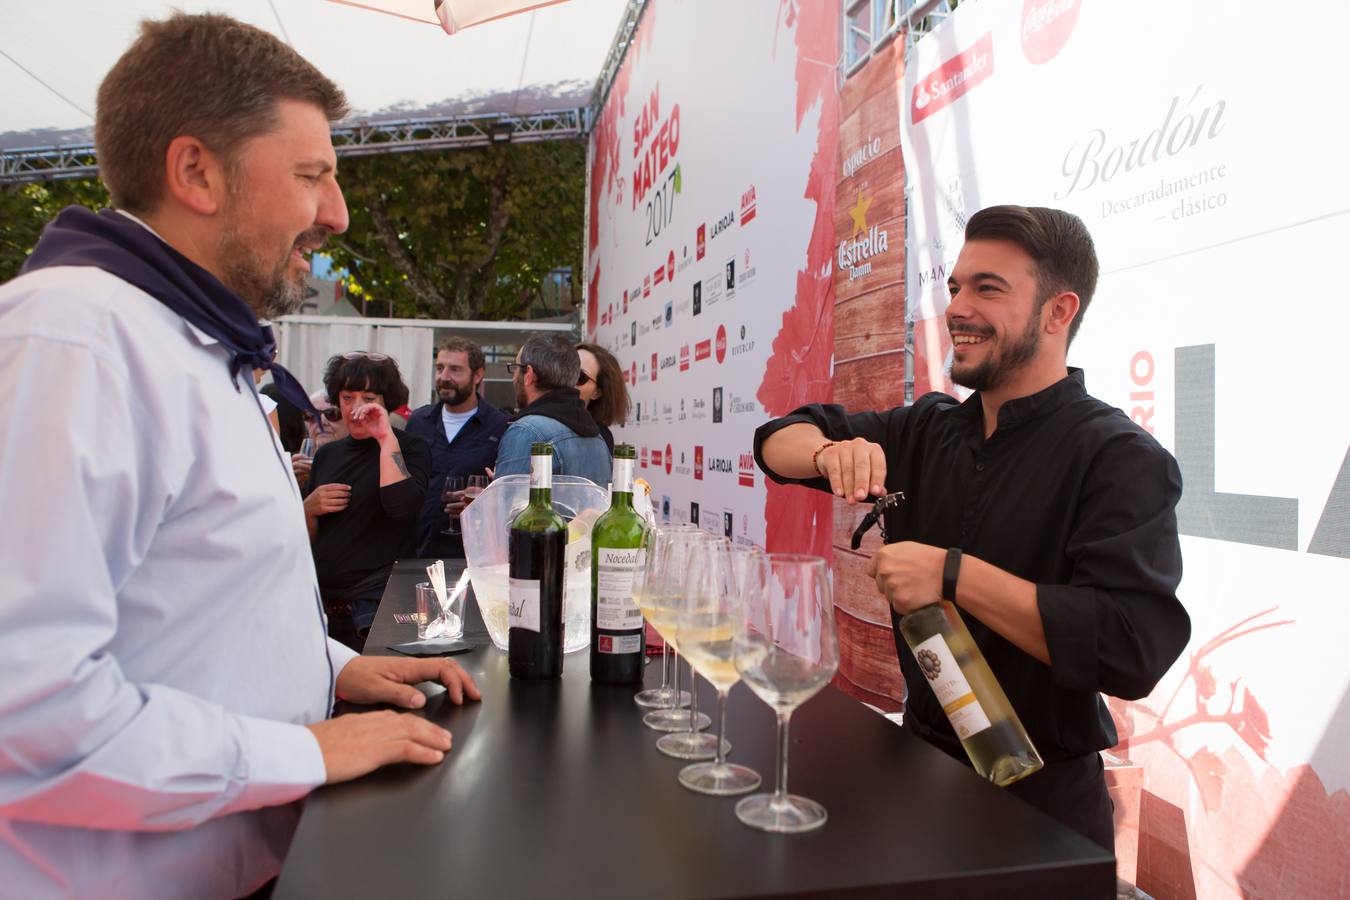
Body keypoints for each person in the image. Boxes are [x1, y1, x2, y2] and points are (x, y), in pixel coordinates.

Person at [0, 15, 479, 898]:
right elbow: (26, 705)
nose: (334, 212)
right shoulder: (75, 342)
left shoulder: (185, 340)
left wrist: (335, 669)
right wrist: (301, 747)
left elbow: (193, 605)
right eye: (312, 176)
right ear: (196, 172)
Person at [754, 205, 1189, 850]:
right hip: (917, 772)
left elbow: (1131, 649)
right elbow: (773, 443)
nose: (958, 306)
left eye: (988, 288)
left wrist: (950, 574)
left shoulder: (1118, 457)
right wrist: (826, 453)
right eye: (956, 286)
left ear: (1058, 312)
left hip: (1040, 813)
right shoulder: (928, 428)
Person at [305, 352, 431, 650]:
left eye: (368, 398)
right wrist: (307, 509)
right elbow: (309, 539)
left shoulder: (411, 447)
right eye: (347, 398)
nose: (356, 409)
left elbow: (401, 507)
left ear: (386, 402)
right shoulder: (327, 455)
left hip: (377, 606)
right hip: (324, 606)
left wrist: (385, 438)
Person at [406, 337, 509, 559]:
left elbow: (508, 492)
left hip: (472, 555)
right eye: (440, 368)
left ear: (478, 375)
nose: (444, 377)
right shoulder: (419, 421)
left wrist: (484, 500)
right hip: (417, 552)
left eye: (455, 370)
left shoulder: (499, 425)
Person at [495, 333, 611, 486]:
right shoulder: (598, 439)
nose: (513, 377)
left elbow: (509, 505)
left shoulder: (527, 431)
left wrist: (493, 495)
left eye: (516, 368)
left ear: (529, 375)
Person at [576, 340, 630, 452]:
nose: (568, 379)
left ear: (597, 393)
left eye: (579, 377)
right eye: (566, 370)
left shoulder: (600, 439)